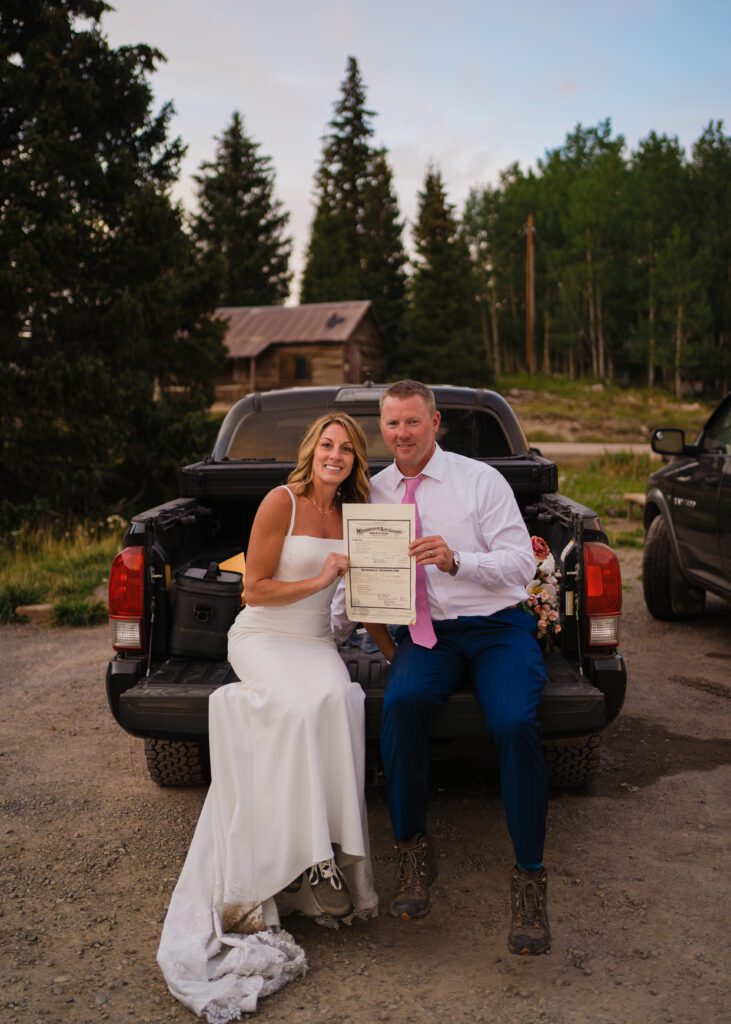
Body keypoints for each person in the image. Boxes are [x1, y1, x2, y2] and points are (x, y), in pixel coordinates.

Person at [158, 413, 379, 1022]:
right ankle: (304, 860)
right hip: (262, 637)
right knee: (301, 706)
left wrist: (397, 649)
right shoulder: (281, 501)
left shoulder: (357, 514)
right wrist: (321, 575)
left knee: (339, 701)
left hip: (314, 643)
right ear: (313, 451)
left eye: (346, 448)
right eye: (327, 445)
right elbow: (253, 590)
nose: (335, 455)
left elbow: (368, 597)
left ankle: (332, 856)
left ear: (357, 460)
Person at [350, 379, 551, 955]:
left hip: (496, 628)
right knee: (402, 705)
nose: (401, 434)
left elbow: (519, 566)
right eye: (391, 424)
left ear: (435, 424)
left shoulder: (479, 480)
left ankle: (530, 880)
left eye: (412, 422)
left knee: (513, 722)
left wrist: (456, 559)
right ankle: (413, 853)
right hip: (428, 636)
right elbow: (367, 581)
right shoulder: (375, 492)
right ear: (381, 428)